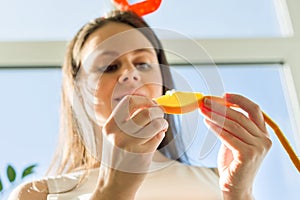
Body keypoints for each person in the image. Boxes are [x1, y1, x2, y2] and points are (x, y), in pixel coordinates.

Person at [9, 10, 272, 200]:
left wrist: (239, 194)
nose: (130, 74)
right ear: (77, 92)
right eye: (110, 66)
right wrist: (114, 190)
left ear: (163, 82)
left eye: (143, 63)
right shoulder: (40, 195)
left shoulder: (221, 183)